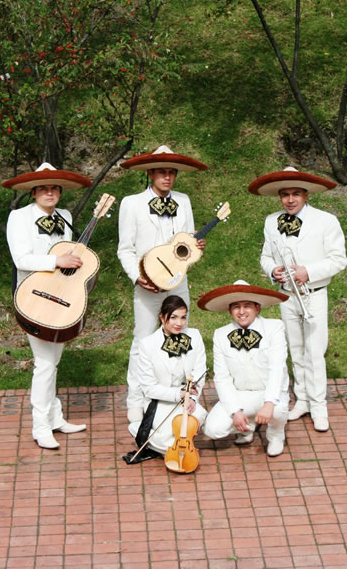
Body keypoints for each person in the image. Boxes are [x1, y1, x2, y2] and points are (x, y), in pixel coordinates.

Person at [250, 167, 347, 433]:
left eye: (295, 194)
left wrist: (309, 272)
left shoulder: (326, 221)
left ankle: (319, 406)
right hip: (287, 295)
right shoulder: (272, 221)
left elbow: (339, 259)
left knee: (315, 352)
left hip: (313, 294)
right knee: (295, 349)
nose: (290, 200)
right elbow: (266, 256)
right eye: (284, 195)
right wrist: (273, 270)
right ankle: (302, 399)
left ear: (306, 195)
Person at [117, 145, 208, 425]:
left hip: (178, 283)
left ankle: (182, 394)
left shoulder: (184, 200)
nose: (167, 177)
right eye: (161, 172)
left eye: (171, 172)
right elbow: (125, 249)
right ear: (150, 173)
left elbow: (187, 239)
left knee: (180, 336)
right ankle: (136, 399)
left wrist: (195, 246)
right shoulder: (131, 203)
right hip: (147, 285)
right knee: (142, 340)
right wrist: (137, 277)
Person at [3, 162, 91, 450]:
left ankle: (55, 417)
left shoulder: (64, 216)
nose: (49, 192)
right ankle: (40, 426)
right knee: (43, 363)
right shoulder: (18, 217)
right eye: (43, 188)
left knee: (53, 361)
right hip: (33, 298)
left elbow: (71, 254)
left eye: (54, 187)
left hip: (61, 296)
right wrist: (56, 261)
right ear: (33, 192)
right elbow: (21, 259)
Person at [198, 281, 291, 457]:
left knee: (277, 410)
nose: (241, 312)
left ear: (257, 308)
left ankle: (276, 435)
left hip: (269, 391)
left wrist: (269, 403)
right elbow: (222, 378)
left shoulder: (274, 327)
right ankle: (247, 428)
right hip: (241, 393)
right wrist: (235, 411)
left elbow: (277, 368)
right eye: (236, 307)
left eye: (247, 306)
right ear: (229, 310)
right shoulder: (220, 334)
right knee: (212, 429)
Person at [124, 295, 208, 463]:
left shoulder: (195, 336)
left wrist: (191, 398)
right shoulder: (147, 344)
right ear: (162, 317)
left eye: (183, 317)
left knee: (200, 414)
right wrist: (179, 394)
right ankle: (140, 430)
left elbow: (200, 372)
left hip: (186, 400)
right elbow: (148, 387)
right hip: (159, 401)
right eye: (173, 317)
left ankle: (162, 441)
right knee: (172, 444)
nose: (179, 323)